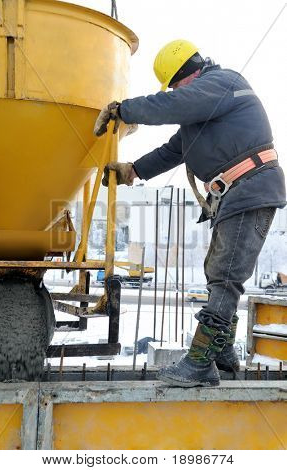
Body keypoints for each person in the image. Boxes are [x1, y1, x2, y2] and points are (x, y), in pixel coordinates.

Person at [94, 39, 286, 387]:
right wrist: (132, 171)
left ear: (189, 74)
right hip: (237, 195)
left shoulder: (222, 83)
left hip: (252, 189)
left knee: (226, 275)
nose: (173, 91)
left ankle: (199, 363)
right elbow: (173, 151)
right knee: (218, 271)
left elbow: (174, 104)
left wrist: (125, 110)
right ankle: (224, 354)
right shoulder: (204, 112)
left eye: (173, 85)